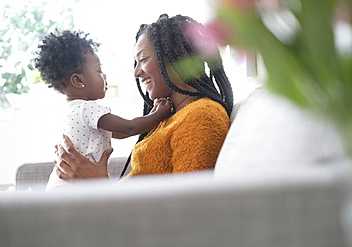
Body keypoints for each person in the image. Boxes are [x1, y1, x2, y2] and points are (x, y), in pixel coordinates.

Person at [55, 14, 234, 182]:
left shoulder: (201, 117)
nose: (136, 72)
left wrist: (99, 184)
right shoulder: (170, 115)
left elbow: (188, 207)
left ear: (179, 55)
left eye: (143, 59)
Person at [35, 30, 171, 190]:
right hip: (73, 186)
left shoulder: (73, 110)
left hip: (63, 184)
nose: (104, 76)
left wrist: (151, 117)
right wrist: (159, 114)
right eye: (99, 71)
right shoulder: (87, 108)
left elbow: (120, 133)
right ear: (78, 80)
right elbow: (129, 127)